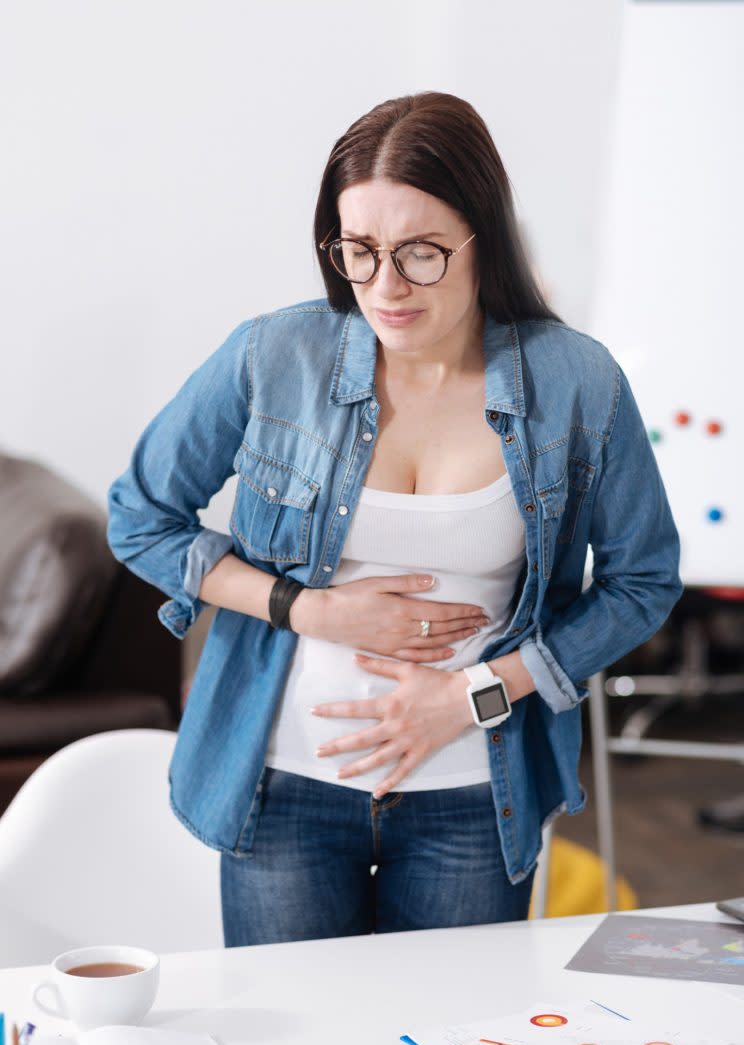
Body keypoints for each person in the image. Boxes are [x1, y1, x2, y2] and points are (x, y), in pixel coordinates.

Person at [107, 91, 682, 946]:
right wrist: (308, 608)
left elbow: (643, 582)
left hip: (472, 797)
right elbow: (140, 516)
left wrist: (475, 695)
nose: (385, 288)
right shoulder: (274, 358)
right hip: (283, 788)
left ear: (484, 236)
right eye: (360, 252)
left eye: (420, 253)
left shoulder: (576, 383)